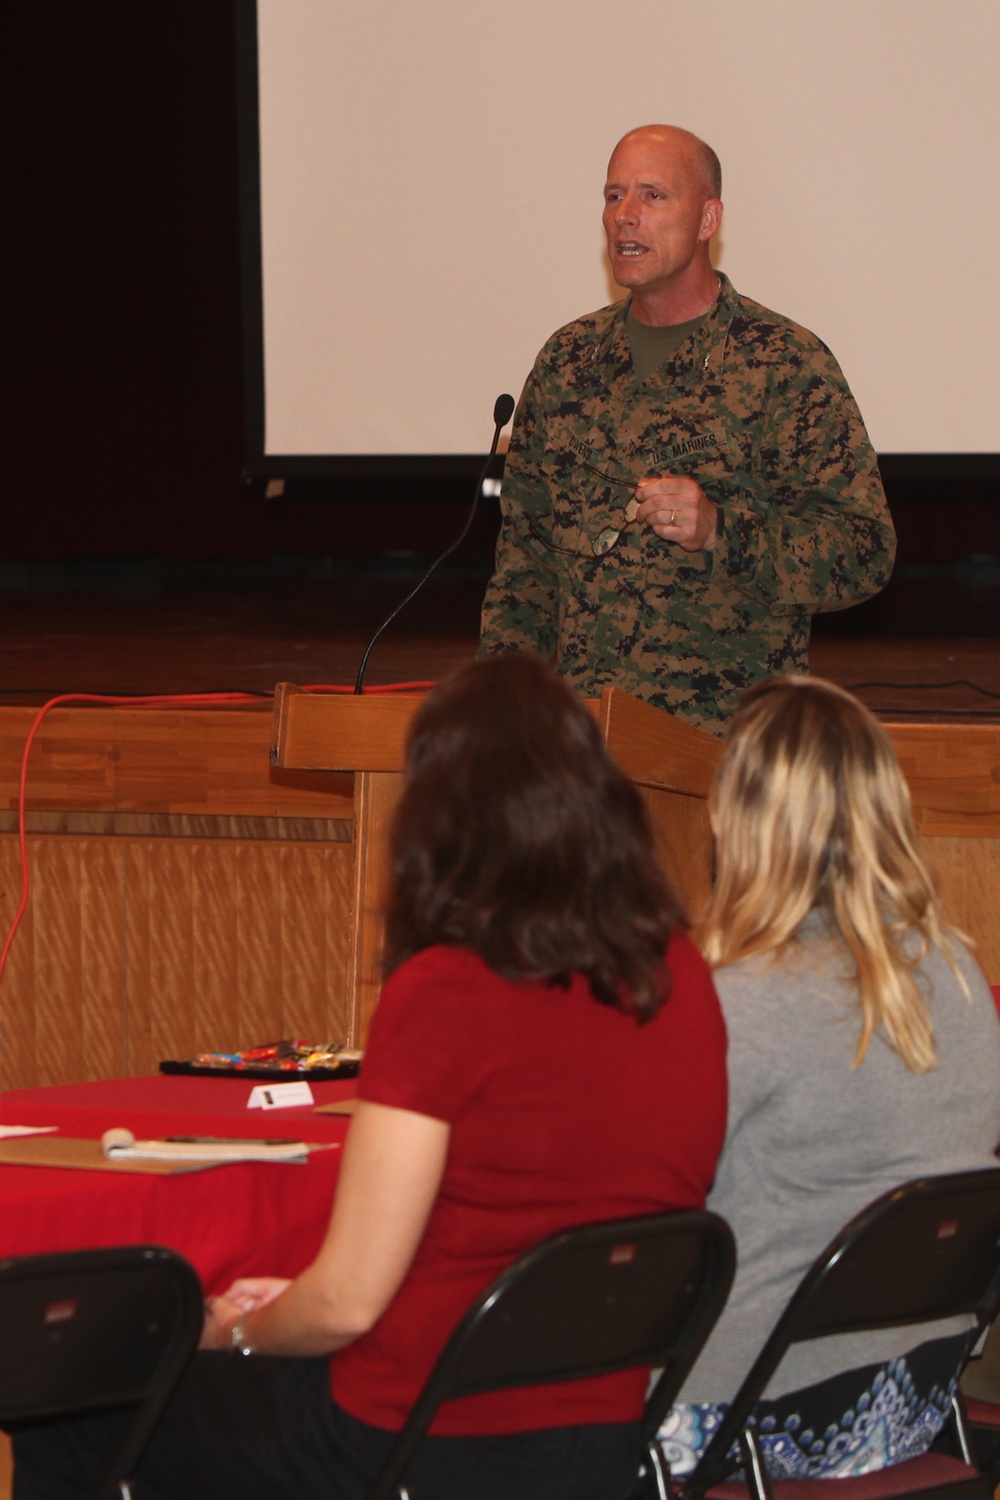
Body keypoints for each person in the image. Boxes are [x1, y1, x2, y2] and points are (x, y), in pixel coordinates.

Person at [12, 652, 727, 1500]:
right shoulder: (680, 971)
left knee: (70, 1409)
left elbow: (349, 1305)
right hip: (600, 1442)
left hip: (411, 1439)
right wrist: (300, 1304)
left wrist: (236, 1329)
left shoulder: (448, 989)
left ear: (437, 817)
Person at [657, 675, 1000, 1481]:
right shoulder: (957, 974)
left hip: (746, 1418)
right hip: (913, 1401)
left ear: (738, 818)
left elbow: (648, 1218)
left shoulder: (740, 1003)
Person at [479, 125, 896, 735]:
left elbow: (864, 551)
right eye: (613, 194)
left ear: (708, 220)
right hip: (580, 750)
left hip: (721, 747)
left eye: (653, 196)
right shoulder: (568, 361)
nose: (625, 216)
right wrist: (498, 710)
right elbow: (524, 566)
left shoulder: (783, 363)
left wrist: (721, 531)